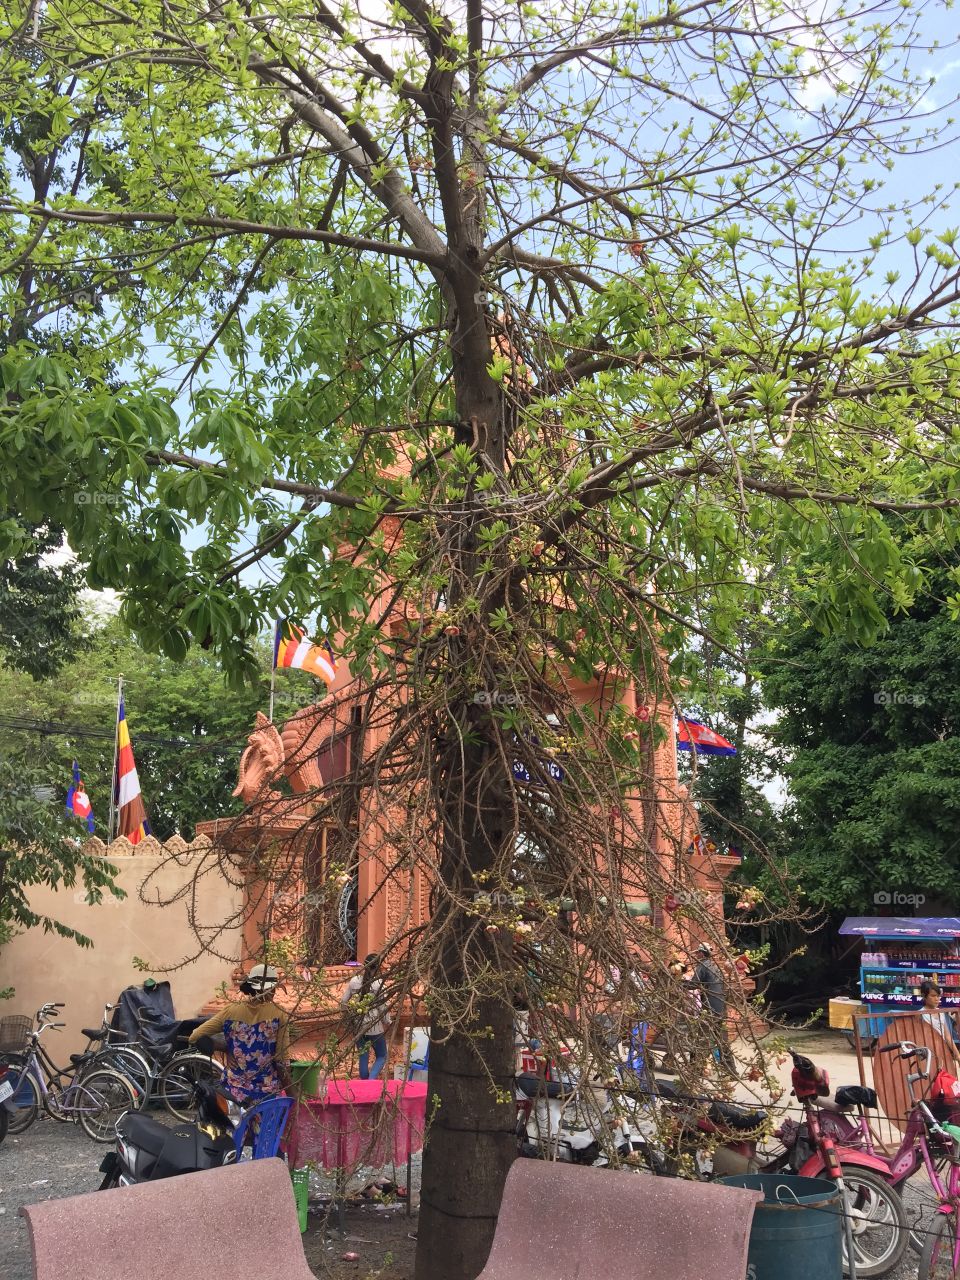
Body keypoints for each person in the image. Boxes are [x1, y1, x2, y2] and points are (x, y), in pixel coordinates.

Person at [188, 962, 292, 1103]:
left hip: (233, 1092)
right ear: (271, 989)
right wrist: (294, 1095)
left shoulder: (231, 1011)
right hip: (266, 1094)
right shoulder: (280, 1014)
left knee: (236, 1125)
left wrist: (227, 1048)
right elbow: (281, 1062)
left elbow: (195, 1036)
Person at [341, 953, 391, 1079]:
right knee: (382, 1055)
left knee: (363, 1055)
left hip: (358, 1025)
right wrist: (387, 1021)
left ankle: (364, 1083)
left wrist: (349, 1019)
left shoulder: (354, 981)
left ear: (364, 965)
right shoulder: (379, 984)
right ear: (378, 966)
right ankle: (371, 1080)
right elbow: (383, 1007)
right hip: (375, 1026)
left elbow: (343, 1002)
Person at [694, 942, 737, 1075]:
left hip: (709, 1010)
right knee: (722, 1041)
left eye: (697, 953)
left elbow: (693, 984)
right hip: (721, 1009)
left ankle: (697, 1069)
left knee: (702, 1039)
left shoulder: (702, 966)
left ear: (701, 953)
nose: (696, 955)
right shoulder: (716, 967)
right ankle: (731, 1070)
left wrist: (678, 982)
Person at [920, 981, 960, 1071]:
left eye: (938, 996)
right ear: (924, 996)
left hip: (943, 1050)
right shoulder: (920, 1014)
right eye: (933, 996)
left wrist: (957, 1055)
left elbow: (947, 1036)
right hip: (928, 1054)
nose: (937, 999)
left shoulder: (940, 1012)